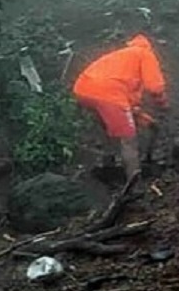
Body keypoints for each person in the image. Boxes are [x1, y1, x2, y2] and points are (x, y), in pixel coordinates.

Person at [72, 33, 168, 181]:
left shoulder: (122, 58)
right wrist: (163, 104)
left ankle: (108, 167)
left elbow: (127, 104)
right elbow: (154, 87)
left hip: (83, 89)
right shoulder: (144, 54)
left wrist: (145, 119)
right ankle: (135, 183)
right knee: (128, 139)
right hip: (108, 92)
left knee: (106, 128)